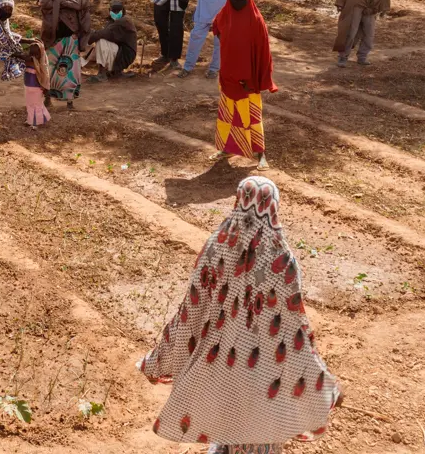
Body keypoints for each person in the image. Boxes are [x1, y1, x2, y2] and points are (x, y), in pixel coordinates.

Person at [139, 175, 340, 450]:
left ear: (237, 202)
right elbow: (295, 326)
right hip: (265, 366)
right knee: (260, 431)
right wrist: (322, 379)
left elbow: (191, 309)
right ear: (273, 209)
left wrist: (160, 357)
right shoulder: (283, 262)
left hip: (220, 363)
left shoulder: (214, 249)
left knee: (226, 423)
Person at [212, 0, 276, 170]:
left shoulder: (256, 20)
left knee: (253, 118)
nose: (237, 2)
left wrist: (259, 77)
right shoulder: (224, 14)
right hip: (227, 76)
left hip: (248, 81)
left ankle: (261, 154)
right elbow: (217, 29)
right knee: (226, 116)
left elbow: (263, 51)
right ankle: (226, 148)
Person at [38, 0, 91, 108]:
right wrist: (61, 2)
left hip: (71, 37)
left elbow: (83, 6)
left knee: (70, 70)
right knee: (49, 68)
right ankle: (47, 98)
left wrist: (61, 3)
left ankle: (69, 101)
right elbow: (45, 3)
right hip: (53, 36)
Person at [84, 0, 138, 82]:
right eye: (114, 11)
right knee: (96, 44)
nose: (116, 13)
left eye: (118, 11)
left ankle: (102, 73)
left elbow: (103, 34)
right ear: (110, 11)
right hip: (121, 52)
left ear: (123, 11)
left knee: (101, 40)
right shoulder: (114, 21)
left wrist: (88, 38)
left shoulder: (123, 22)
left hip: (124, 55)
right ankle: (116, 72)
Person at [22, 39, 50, 129]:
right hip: (28, 86)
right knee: (29, 103)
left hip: (37, 88)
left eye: (36, 54)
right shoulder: (29, 60)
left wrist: (44, 88)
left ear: (40, 54)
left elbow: (45, 78)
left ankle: (35, 123)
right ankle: (31, 120)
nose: (34, 56)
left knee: (36, 105)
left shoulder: (40, 64)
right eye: (32, 53)